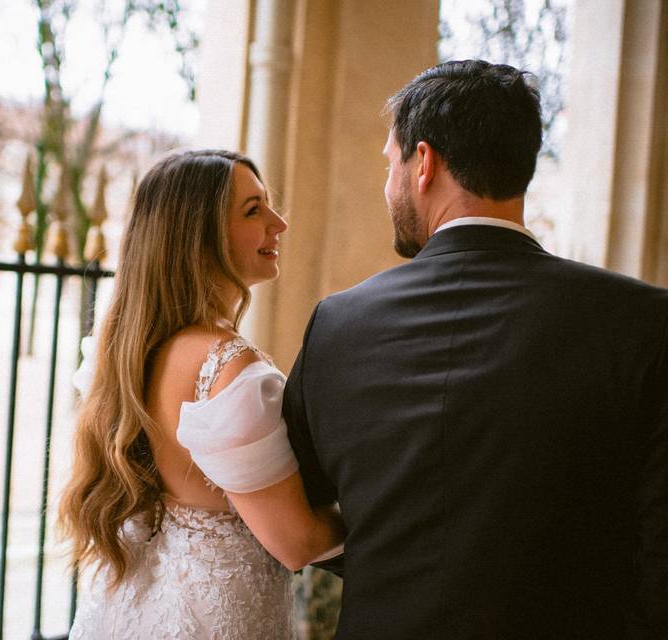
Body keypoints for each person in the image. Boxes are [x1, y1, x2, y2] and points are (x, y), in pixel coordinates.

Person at [284, 59, 668, 639]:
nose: (387, 184)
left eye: (390, 163)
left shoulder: (338, 323)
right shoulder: (643, 321)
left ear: (424, 163)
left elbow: (300, 505)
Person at [60, 149, 344, 639]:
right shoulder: (227, 370)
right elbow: (296, 543)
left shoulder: (129, 351)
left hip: (133, 608)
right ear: (198, 235)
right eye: (254, 211)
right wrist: (386, 517)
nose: (278, 224)